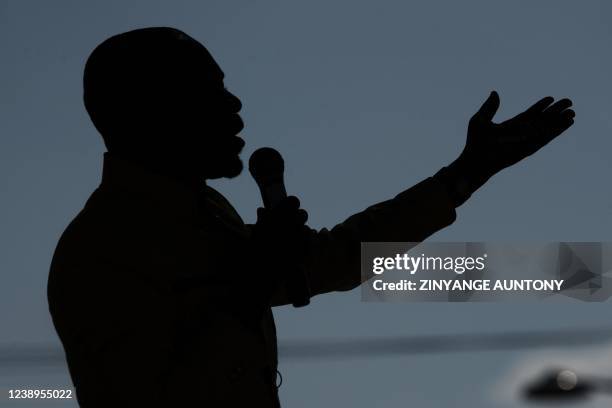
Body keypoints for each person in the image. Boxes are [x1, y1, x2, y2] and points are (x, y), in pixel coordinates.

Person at [47, 27, 575, 407]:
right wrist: (247, 284)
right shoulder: (100, 250)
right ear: (151, 109)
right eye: (209, 90)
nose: (234, 105)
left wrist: (468, 173)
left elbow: (337, 258)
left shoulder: (204, 217)